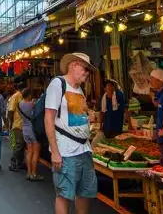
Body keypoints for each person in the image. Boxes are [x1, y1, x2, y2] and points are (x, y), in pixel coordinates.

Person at [45, 53, 97, 214]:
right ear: (73, 65)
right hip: (66, 151)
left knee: (84, 193)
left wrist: (89, 115)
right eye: (85, 69)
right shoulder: (57, 84)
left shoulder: (79, 89)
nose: (87, 73)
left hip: (84, 149)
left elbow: (74, 114)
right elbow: (48, 118)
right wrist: (55, 151)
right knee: (64, 194)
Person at [18, 89, 43, 182]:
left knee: (29, 151)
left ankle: (28, 173)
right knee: (36, 152)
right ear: (28, 95)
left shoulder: (19, 104)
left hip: (25, 129)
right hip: (33, 129)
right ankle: (34, 173)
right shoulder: (32, 104)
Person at [94, 79, 126, 148]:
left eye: (111, 86)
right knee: (107, 145)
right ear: (105, 88)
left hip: (117, 126)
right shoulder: (103, 98)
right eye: (107, 86)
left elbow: (126, 108)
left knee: (117, 144)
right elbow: (101, 112)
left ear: (113, 87)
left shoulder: (119, 95)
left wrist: (130, 124)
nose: (110, 88)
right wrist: (100, 126)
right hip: (107, 127)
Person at [6, 79, 25, 171]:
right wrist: (10, 123)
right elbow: (10, 111)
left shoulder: (21, 96)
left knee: (21, 145)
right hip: (17, 123)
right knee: (19, 144)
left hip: (21, 123)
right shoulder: (16, 96)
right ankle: (13, 162)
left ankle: (20, 163)